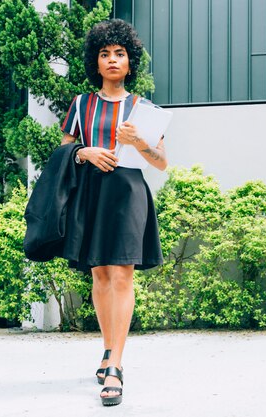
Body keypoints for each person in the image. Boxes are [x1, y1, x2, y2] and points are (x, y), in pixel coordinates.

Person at [60, 19, 167, 406]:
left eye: (119, 53)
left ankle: (116, 366)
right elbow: (62, 153)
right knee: (101, 275)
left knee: (122, 274)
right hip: (90, 192)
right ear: (96, 61)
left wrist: (138, 141)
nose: (112, 60)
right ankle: (107, 349)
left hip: (127, 193)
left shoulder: (143, 108)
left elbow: (161, 163)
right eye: (104, 54)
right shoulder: (80, 104)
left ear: (130, 61)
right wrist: (83, 151)